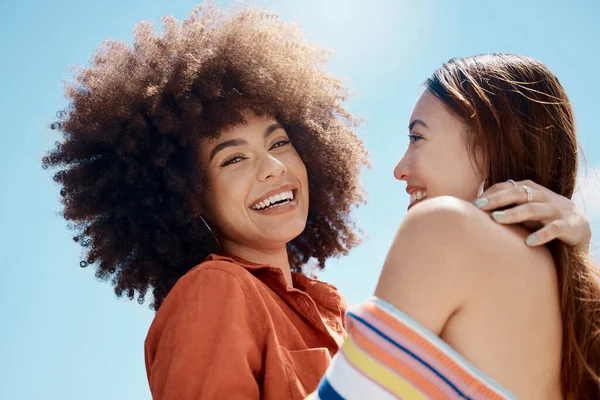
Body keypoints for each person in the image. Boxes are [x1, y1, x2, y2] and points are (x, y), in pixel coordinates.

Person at [42, 5, 593, 399]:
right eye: (232, 158)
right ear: (184, 196)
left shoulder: (339, 312)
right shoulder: (215, 290)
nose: (272, 167)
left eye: (281, 142)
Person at [313, 54, 598, 400]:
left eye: (417, 138)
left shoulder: (445, 227)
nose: (399, 169)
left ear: (487, 143)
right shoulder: (576, 302)